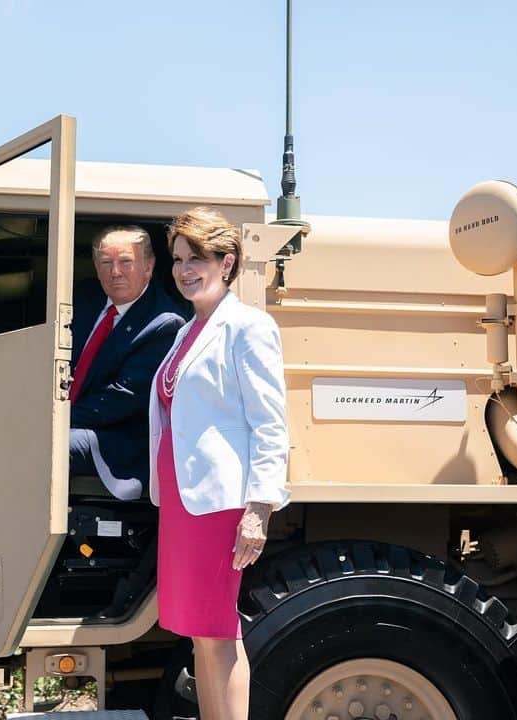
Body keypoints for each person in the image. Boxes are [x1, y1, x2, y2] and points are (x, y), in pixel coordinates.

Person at [149, 207, 289, 720]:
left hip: (219, 503)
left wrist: (260, 508)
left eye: (197, 259)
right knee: (200, 635)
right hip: (183, 501)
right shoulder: (188, 332)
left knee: (217, 630)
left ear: (226, 262)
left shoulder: (247, 326)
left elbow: (271, 424)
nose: (184, 270)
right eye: (179, 260)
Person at [68, 225, 185, 500]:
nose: (115, 272)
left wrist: (52, 419)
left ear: (149, 266)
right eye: (106, 263)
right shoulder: (85, 296)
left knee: (49, 447)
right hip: (76, 416)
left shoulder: (164, 323)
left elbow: (121, 398)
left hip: (115, 437)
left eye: (126, 262)